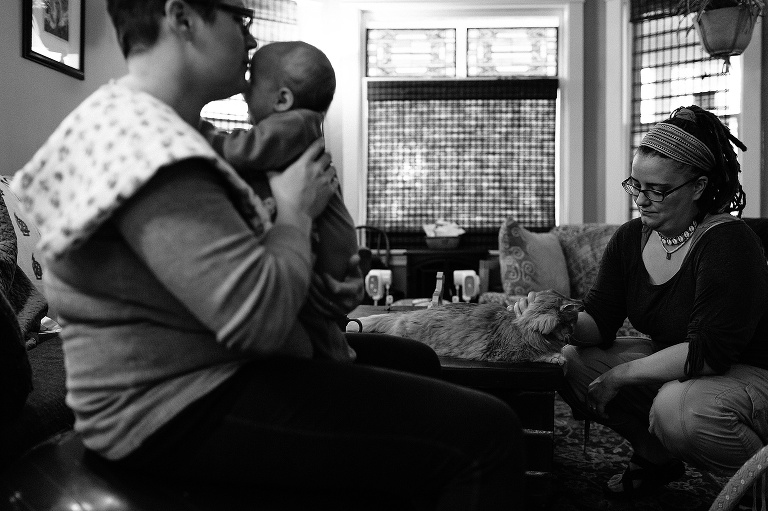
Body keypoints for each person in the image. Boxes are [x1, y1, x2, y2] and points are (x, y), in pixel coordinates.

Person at [11, 1, 524, 508]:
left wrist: (318, 270)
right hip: (167, 405)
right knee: (488, 433)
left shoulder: (156, 126)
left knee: (416, 358)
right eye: (240, 18)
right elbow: (261, 321)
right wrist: (296, 212)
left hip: (200, 365)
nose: (251, 40)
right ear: (181, 16)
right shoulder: (149, 150)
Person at [515, 105, 768, 498]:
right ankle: (654, 455)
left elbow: (709, 354)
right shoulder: (632, 237)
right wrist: (550, 315)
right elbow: (598, 321)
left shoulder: (728, 243)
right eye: (635, 185)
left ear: (698, 188)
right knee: (571, 360)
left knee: (678, 410)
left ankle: (757, 488)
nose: (642, 200)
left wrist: (618, 377)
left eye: (658, 190)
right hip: (686, 366)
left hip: (748, 371)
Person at [199, 40, 357, 361]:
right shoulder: (297, 129)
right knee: (314, 318)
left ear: (282, 99)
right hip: (326, 237)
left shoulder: (294, 124)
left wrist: (198, 132)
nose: (244, 91)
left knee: (314, 315)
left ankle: (334, 359)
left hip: (326, 238)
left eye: (252, 83)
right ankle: (333, 355)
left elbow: (240, 151)